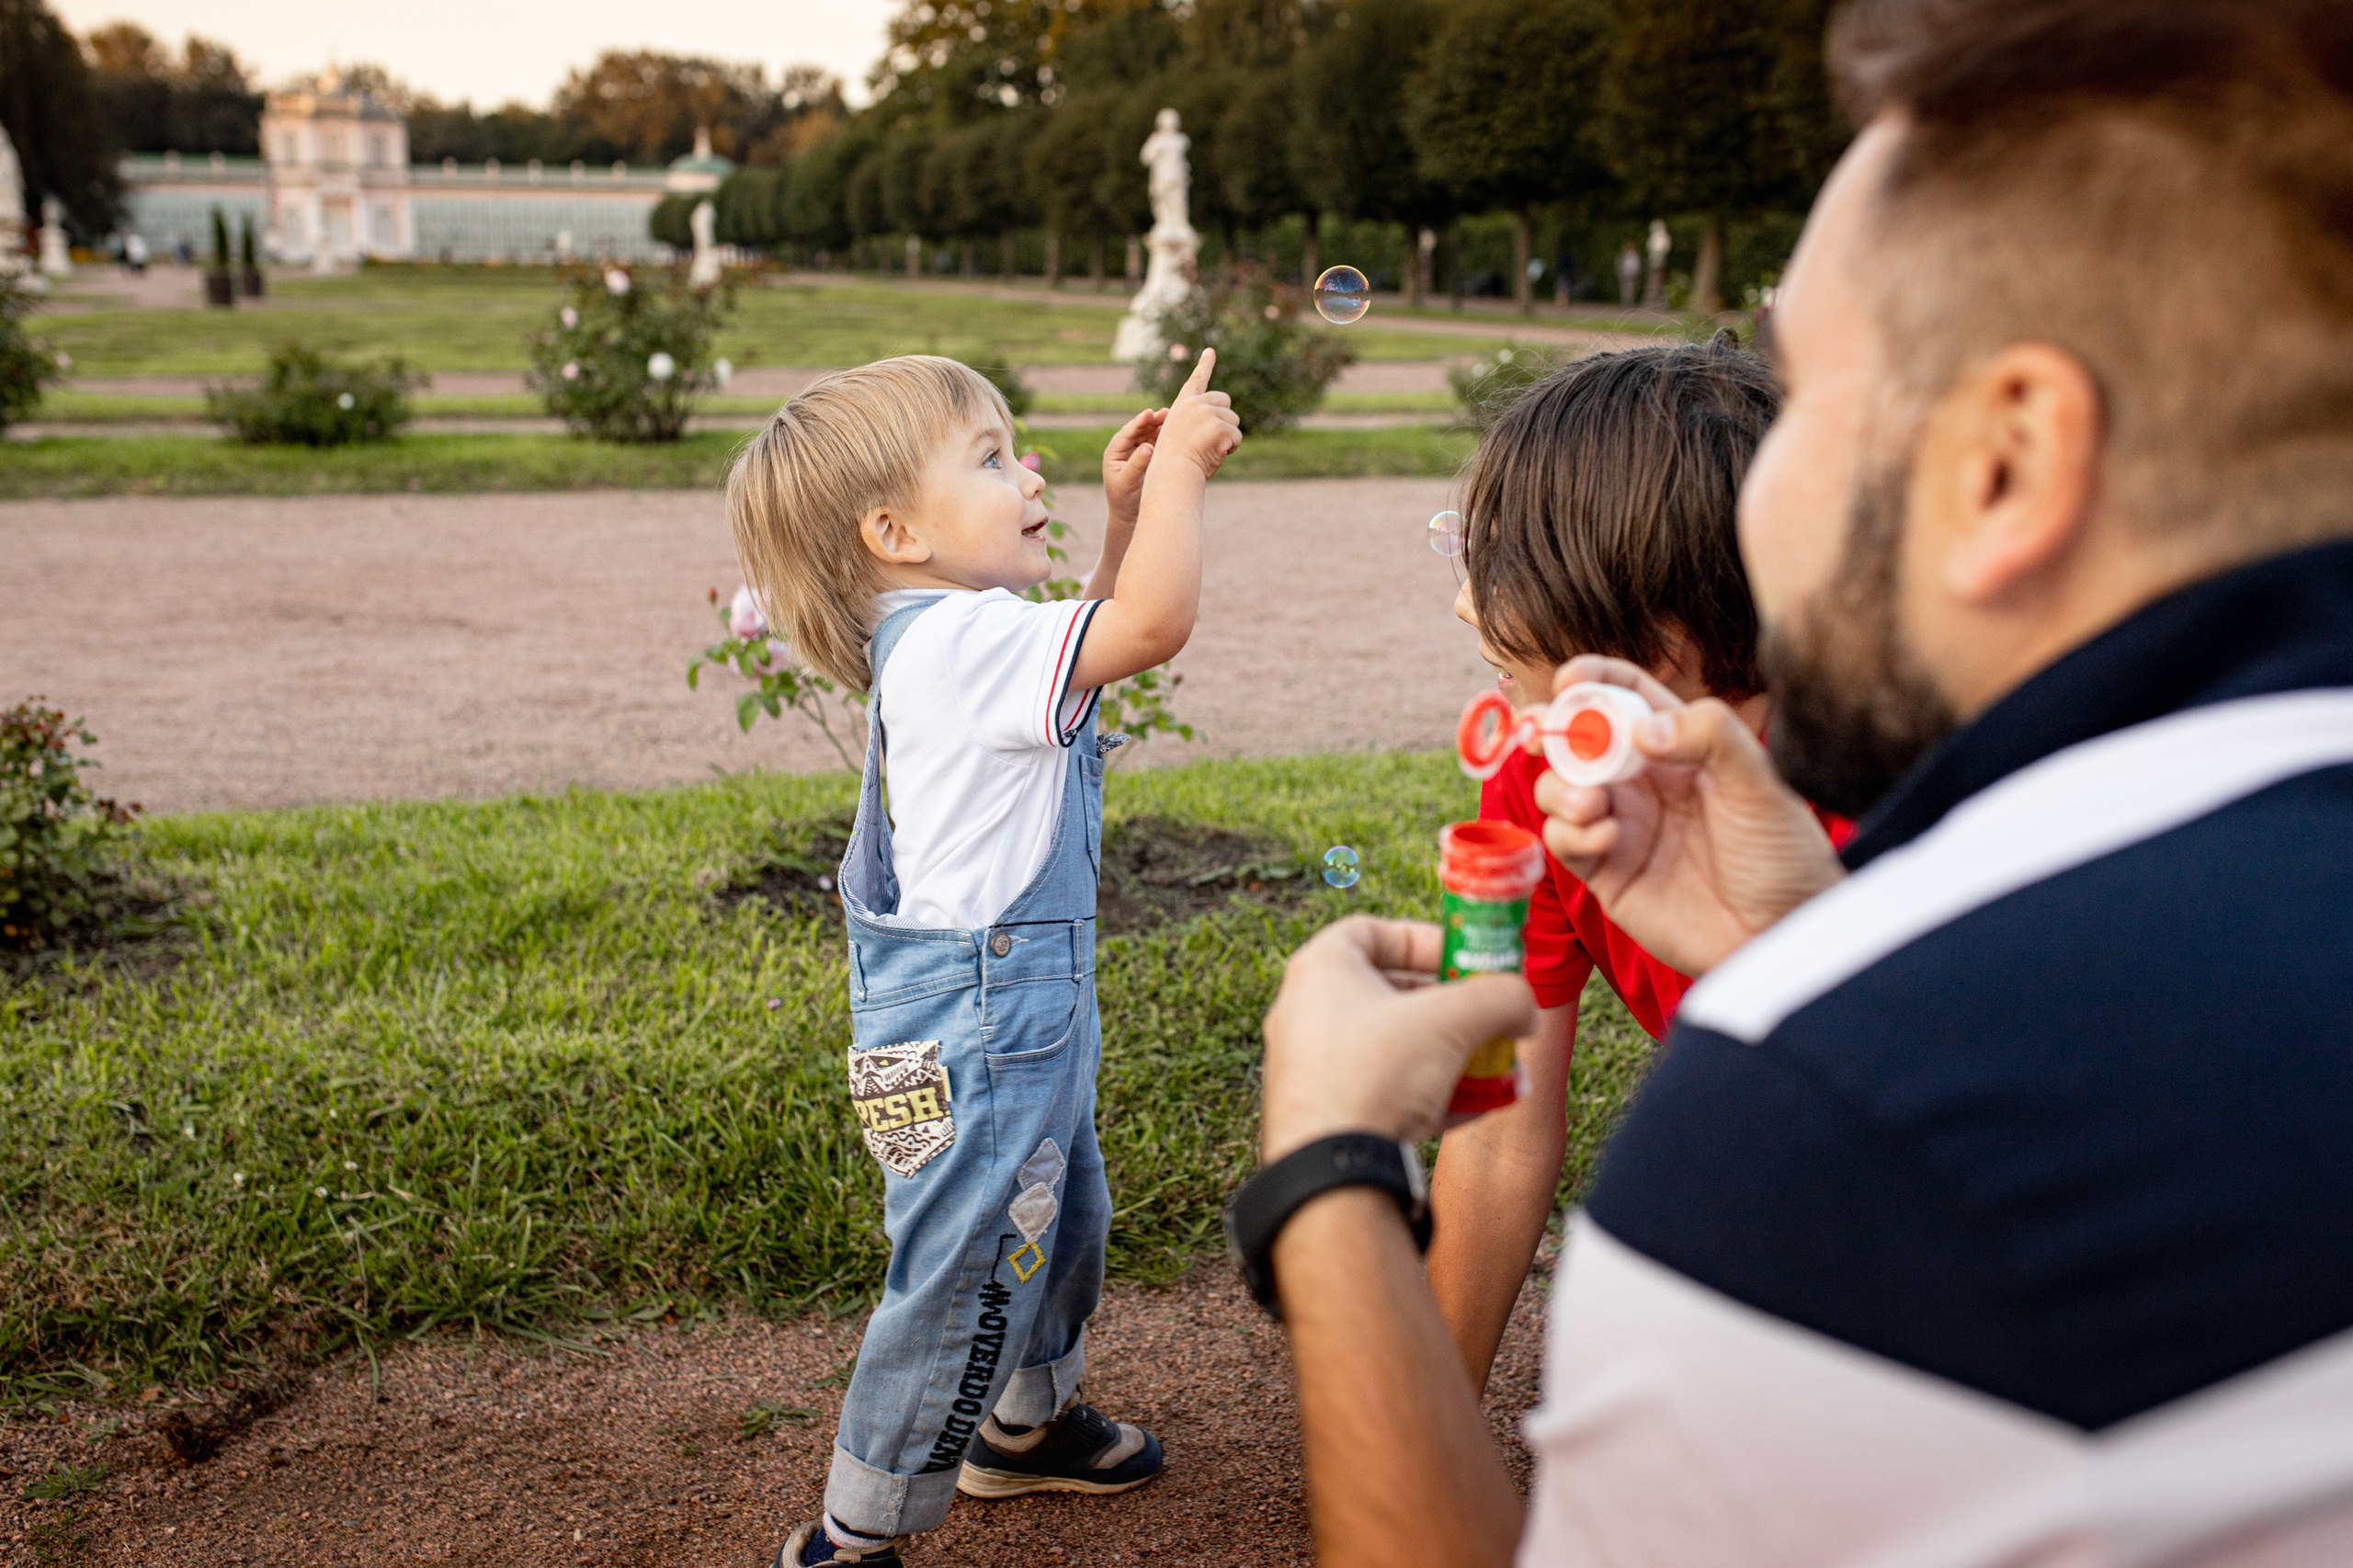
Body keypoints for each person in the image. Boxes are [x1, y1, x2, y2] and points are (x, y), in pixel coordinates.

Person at [1231, 0, 2353, 1562]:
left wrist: (1331, 1178)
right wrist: (1807, 944)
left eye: (1808, 389)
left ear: (2007, 460)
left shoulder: (1851, 1134)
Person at [729, 351, 1242, 1566]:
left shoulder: (960, 637)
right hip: (985, 1035)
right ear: (894, 531)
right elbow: (1152, 628)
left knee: (1055, 1219)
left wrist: (1119, 518)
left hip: (973, 1029)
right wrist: (1179, 482)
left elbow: (1098, 639)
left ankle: (1026, 1422)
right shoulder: (962, 644)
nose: (1029, 473)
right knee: (967, 1268)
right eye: (992, 456)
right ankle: (856, 1530)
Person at [1428, 338, 1852, 1391]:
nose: (1462, 600)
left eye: (1495, 557)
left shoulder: (1910, 802)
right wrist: (1430, 1427)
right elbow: (1493, 1120)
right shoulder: (1542, 774)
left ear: (1653, 655)